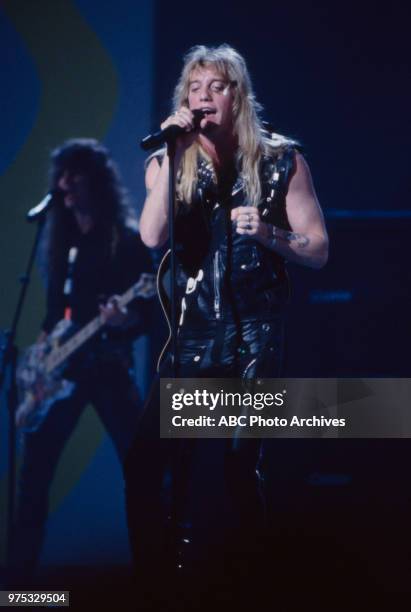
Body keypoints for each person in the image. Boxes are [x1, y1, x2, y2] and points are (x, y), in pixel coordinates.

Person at [124, 44, 328, 606]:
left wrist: (268, 234)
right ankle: (154, 582)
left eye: (215, 87)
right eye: (194, 89)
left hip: (255, 337)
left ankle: (253, 583)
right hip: (190, 339)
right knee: (147, 465)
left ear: (237, 95)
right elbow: (150, 237)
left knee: (240, 467)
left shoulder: (282, 159)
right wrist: (172, 150)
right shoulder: (168, 160)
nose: (203, 98)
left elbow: (317, 248)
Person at [11, 138, 154, 582]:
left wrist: (123, 318)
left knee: (143, 473)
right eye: (62, 173)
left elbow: (148, 312)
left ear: (97, 181)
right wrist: (40, 358)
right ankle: (18, 590)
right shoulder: (59, 241)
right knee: (32, 483)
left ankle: (155, 583)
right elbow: (56, 313)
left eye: (76, 173)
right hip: (58, 374)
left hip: (108, 367)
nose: (65, 182)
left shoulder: (127, 242)